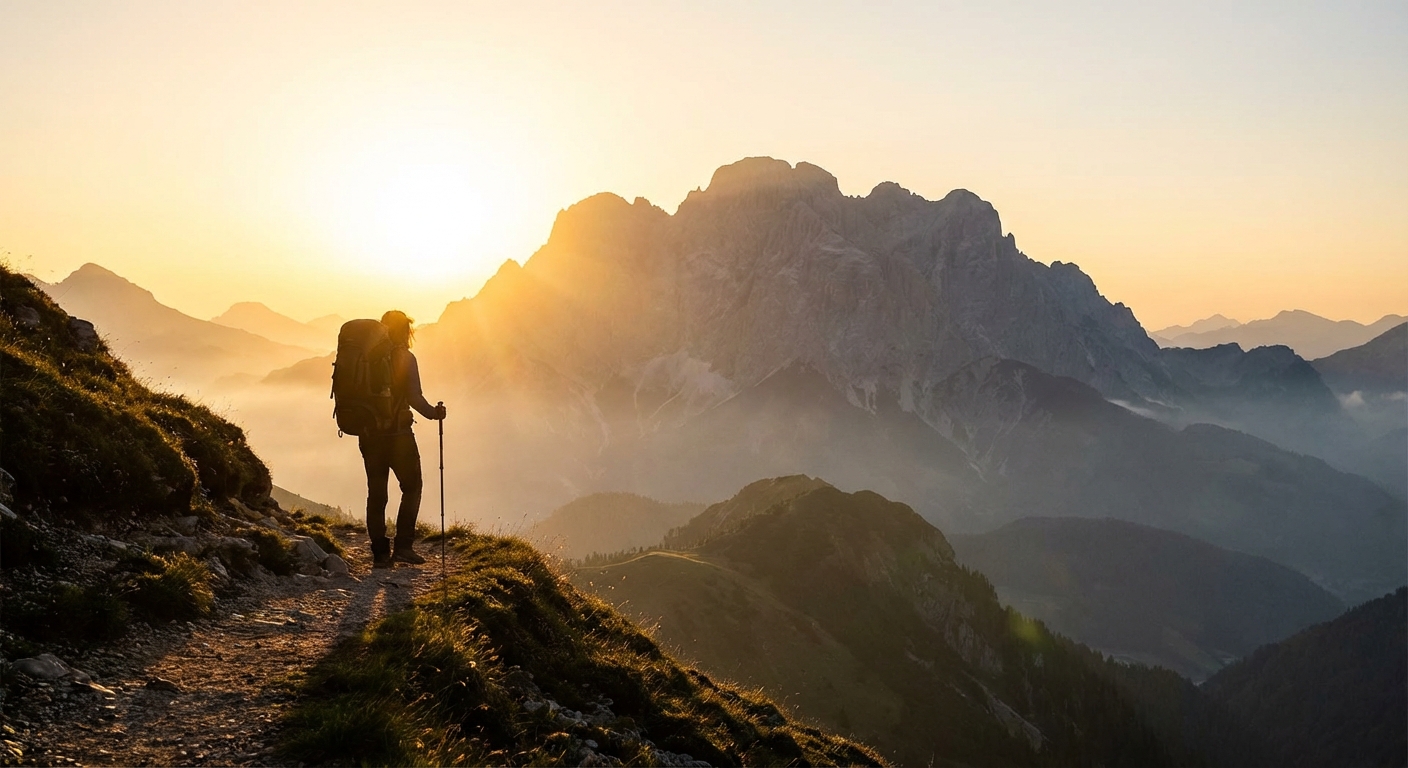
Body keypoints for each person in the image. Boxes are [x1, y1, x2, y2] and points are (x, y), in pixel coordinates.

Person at [361, 310, 446, 567]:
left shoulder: (365, 356)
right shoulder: (405, 357)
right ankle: (403, 547)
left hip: (369, 435)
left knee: (377, 494)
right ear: (404, 331)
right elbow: (414, 397)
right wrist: (434, 414)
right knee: (412, 487)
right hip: (399, 436)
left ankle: (380, 554)